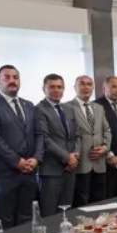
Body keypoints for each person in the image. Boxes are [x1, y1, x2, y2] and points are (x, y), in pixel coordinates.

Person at [0, 64, 42, 227]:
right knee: (6, 220)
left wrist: (36, 158)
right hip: (6, 174)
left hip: (30, 172)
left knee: (27, 218)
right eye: (6, 77)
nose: (12, 81)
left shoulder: (29, 105)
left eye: (15, 77)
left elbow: (39, 134)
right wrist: (17, 161)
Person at [34, 74, 80, 217]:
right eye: (52, 87)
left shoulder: (69, 108)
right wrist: (67, 158)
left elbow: (77, 134)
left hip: (70, 169)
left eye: (59, 87)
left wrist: (76, 156)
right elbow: (45, 139)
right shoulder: (39, 109)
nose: (56, 90)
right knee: (49, 214)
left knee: (66, 212)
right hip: (51, 170)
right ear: (44, 89)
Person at [67, 75, 113, 206]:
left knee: (99, 202)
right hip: (80, 163)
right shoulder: (67, 107)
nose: (86, 87)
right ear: (75, 87)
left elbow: (107, 130)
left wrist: (105, 148)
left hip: (99, 163)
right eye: (82, 84)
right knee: (81, 203)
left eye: (89, 84)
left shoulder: (99, 108)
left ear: (93, 87)